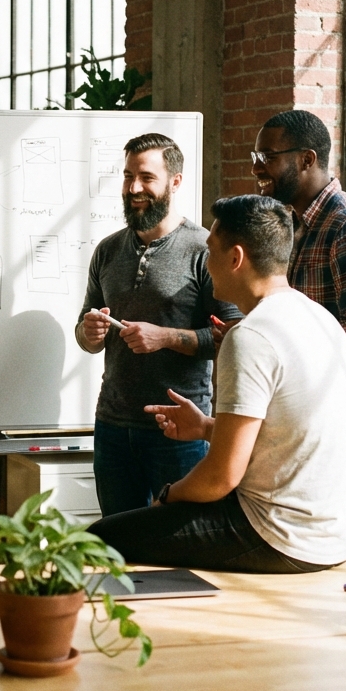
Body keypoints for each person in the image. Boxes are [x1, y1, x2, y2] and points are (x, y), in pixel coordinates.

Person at [90, 195, 346, 571]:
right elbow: (284, 433)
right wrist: (206, 427)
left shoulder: (251, 334)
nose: (207, 263)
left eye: (210, 251)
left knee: (99, 540)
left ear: (235, 258)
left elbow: (220, 478)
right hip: (339, 534)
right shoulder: (315, 316)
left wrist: (167, 497)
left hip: (279, 536)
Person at [249, 109, 346, 543]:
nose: (258, 166)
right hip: (313, 418)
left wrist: (287, 355)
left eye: (268, 155)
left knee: (338, 549)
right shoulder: (295, 224)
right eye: (255, 154)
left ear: (306, 159)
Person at [75, 133, 241, 516]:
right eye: (128, 176)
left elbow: (232, 339)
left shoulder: (204, 249)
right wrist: (90, 332)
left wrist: (164, 337)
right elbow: (86, 337)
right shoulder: (108, 250)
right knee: (118, 545)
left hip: (179, 428)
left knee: (181, 545)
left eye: (147, 178)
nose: (134, 188)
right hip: (113, 425)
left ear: (175, 182)